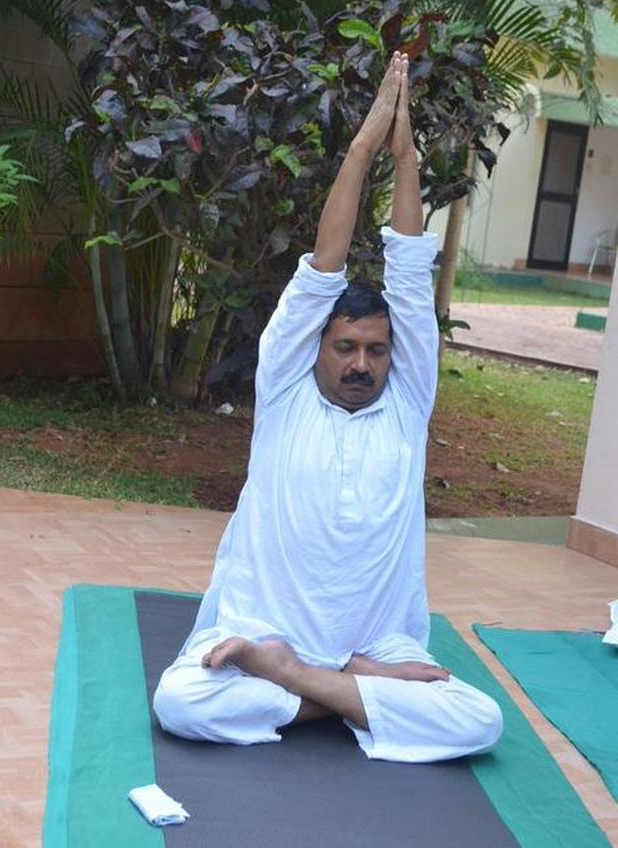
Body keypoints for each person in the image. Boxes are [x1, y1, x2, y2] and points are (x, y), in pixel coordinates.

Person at [154, 52, 503, 762]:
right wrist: (365, 147)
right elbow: (323, 268)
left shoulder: (407, 403)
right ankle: (352, 695)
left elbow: (410, 273)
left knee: (482, 719)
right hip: (263, 625)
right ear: (316, 346)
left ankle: (308, 682)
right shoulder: (283, 392)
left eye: (376, 351)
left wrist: (408, 157)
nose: (361, 364)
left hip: (378, 644)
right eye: (345, 347)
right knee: (180, 702)